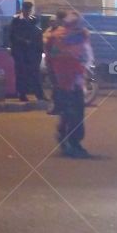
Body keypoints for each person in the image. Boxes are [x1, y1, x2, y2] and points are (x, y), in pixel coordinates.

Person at [44, 10, 94, 158]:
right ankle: (73, 143)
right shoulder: (80, 36)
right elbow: (86, 57)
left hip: (61, 80)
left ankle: (64, 137)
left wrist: (54, 78)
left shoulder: (53, 36)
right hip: (74, 80)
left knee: (66, 111)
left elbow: (49, 59)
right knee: (75, 113)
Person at [9, 1, 45, 102]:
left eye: (29, 10)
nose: (28, 11)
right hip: (20, 51)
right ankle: (22, 94)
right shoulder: (16, 20)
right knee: (21, 73)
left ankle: (39, 95)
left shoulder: (33, 20)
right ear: (23, 9)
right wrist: (23, 41)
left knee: (34, 73)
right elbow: (12, 35)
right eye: (26, 9)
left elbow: (36, 33)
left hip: (31, 52)